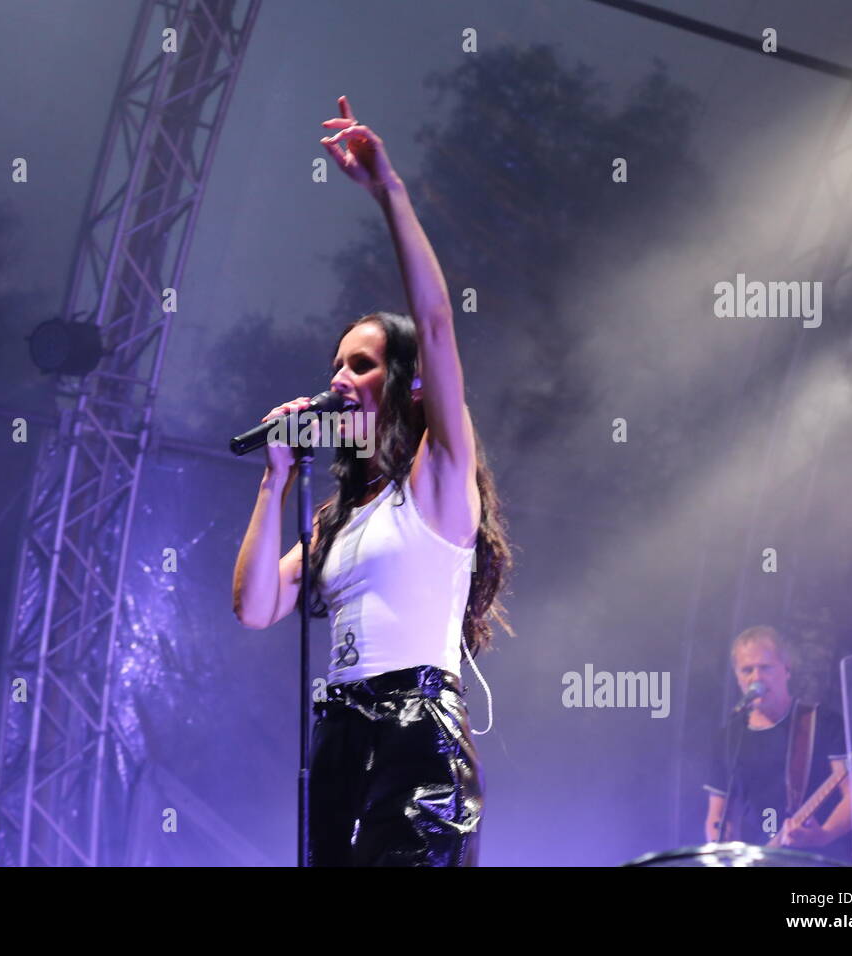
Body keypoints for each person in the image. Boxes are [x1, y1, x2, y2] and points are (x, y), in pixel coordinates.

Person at [232, 95, 513, 866]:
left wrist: (389, 193)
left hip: (416, 741)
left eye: (361, 363)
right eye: (335, 365)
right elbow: (255, 607)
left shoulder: (437, 478)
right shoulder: (339, 518)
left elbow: (440, 323)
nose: (340, 378)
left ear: (410, 381)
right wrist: (275, 481)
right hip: (340, 739)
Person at [703, 625, 852, 863]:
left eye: (765, 668)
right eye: (747, 670)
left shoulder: (823, 723)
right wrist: (722, 847)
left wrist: (823, 835)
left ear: (786, 669)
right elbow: (718, 813)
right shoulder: (729, 737)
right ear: (738, 678)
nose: (756, 677)